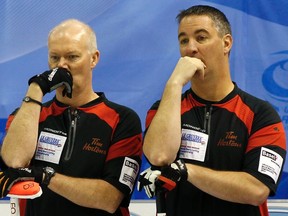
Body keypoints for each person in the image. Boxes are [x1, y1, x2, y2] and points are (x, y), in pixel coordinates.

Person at [137, 5, 287, 216]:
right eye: (183, 40)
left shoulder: (260, 114)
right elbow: (160, 156)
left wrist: (185, 170)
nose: (191, 48)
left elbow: (256, 190)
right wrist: (175, 83)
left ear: (226, 43)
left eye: (201, 37)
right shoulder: (165, 109)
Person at [0, 19, 143, 216]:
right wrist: (37, 87)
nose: (61, 67)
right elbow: (15, 160)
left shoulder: (122, 119)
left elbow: (110, 199)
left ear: (93, 59)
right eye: (54, 58)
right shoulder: (27, 114)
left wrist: (45, 176)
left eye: (72, 57)